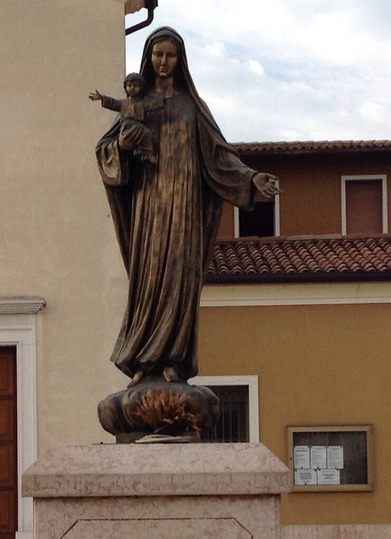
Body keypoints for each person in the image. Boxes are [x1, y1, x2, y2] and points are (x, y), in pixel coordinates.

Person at [96, 27, 281, 387]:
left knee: (179, 278)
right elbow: (106, 151)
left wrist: (251, 178)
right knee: (149, 279)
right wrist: (121, 145)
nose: (163, 62)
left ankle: (172, 359)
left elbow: (220, 156)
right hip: (149, 206)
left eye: (170, 55)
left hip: (184, 207)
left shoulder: (192, 107)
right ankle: (140, 358)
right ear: (148, 58)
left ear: (180, 61)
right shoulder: (137, 104)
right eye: (157, 55)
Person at [89, 73, 162, 166]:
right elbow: (113, 102)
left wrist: (163, 100)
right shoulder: (123, 103)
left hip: (139, 127)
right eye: (129, 85)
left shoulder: (144, 103)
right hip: (127, 129)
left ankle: (147, 154)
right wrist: (101, 98)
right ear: (125, 87)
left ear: (141, 88)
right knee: (136, 134)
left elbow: (155, 104)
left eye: (135, 86)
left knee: (147, 134)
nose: (132, 88)